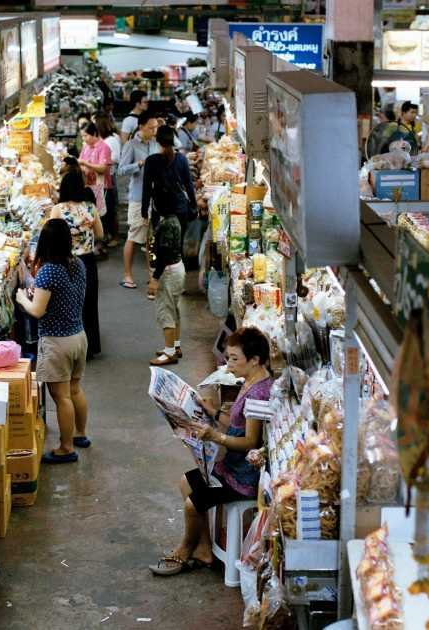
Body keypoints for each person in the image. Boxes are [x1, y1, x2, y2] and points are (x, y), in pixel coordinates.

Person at [149, 327, 273, 576]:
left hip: (243, 477)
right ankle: (204, 548)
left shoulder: (260, 394)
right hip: (230, 466)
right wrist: (212, 412)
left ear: (255, 360)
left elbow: (250, 441)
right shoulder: (250, 381)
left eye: (235, 359)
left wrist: (215, 436)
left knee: (191, 504)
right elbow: (237, 425)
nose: (229, 365)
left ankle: (185, 549)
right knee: (186, 483)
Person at [16, 219, 89, 464]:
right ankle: (80, 434)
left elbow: (36, 311)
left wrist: (21, 298)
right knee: (75, 389)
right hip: (79, 337)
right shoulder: (77, 264)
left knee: (61, 397)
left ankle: (66, 448)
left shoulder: (49, 270)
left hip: (58, 342)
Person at [143, 125, 195, 364]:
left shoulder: (152, 161)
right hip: (180, 213)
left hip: (166, 214)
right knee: (173, 249)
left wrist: (145, 210)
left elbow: (147, 188)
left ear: (157, 140)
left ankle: (170, 350)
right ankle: (176, 345)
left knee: (164, 250)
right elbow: (189, 185)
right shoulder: (181, 160)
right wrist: (192, 205)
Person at [51, 170, 103, 359]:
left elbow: (49, 235)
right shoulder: (90, 208)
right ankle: (89, 346)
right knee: (88, 303)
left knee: (66, 303)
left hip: (65, 261)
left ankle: (67, 348)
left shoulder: (58, 209)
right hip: (87, 261)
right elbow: (100, 234)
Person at [117, 111, 160, 290]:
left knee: (151, 238)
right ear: (141, 127)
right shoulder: (131, 145)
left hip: (154, 198)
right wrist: (139, 165)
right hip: (138, 198)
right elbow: (121, 170)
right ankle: (127, 275)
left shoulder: (155, 144)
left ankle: (152, 275)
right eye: (151, 128)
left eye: (156, 127)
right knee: (134, 236)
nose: (154, 131)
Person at [95, 113, 122, 248]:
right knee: (106, 207)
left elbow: (115, 158)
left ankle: (114, 236)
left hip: (108, 177)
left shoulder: (110, 140)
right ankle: (108, 235)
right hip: (104, 177)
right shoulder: (109, 138)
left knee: (110, 207)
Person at [78, 122, 111, 221]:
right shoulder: (86, 147)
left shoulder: (104, 147)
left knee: (98, 215)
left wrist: (85, 163)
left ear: (94, 134)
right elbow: (80, 162)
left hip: (100, 186)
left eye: (86, 136)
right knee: (88, 215)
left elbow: (103, 168)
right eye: (82, 136)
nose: (83, 139)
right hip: (88, 186)